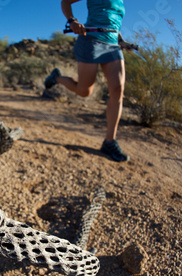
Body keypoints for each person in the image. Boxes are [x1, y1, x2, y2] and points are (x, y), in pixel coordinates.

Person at [45, 0, 132, 162]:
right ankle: (57, 78)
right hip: (91, 41)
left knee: (118, 90)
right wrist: (72, 21)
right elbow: (65, 2)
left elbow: (113, 21)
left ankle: (109, 142)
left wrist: (121, 41)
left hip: (113, 46)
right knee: (84, 91)